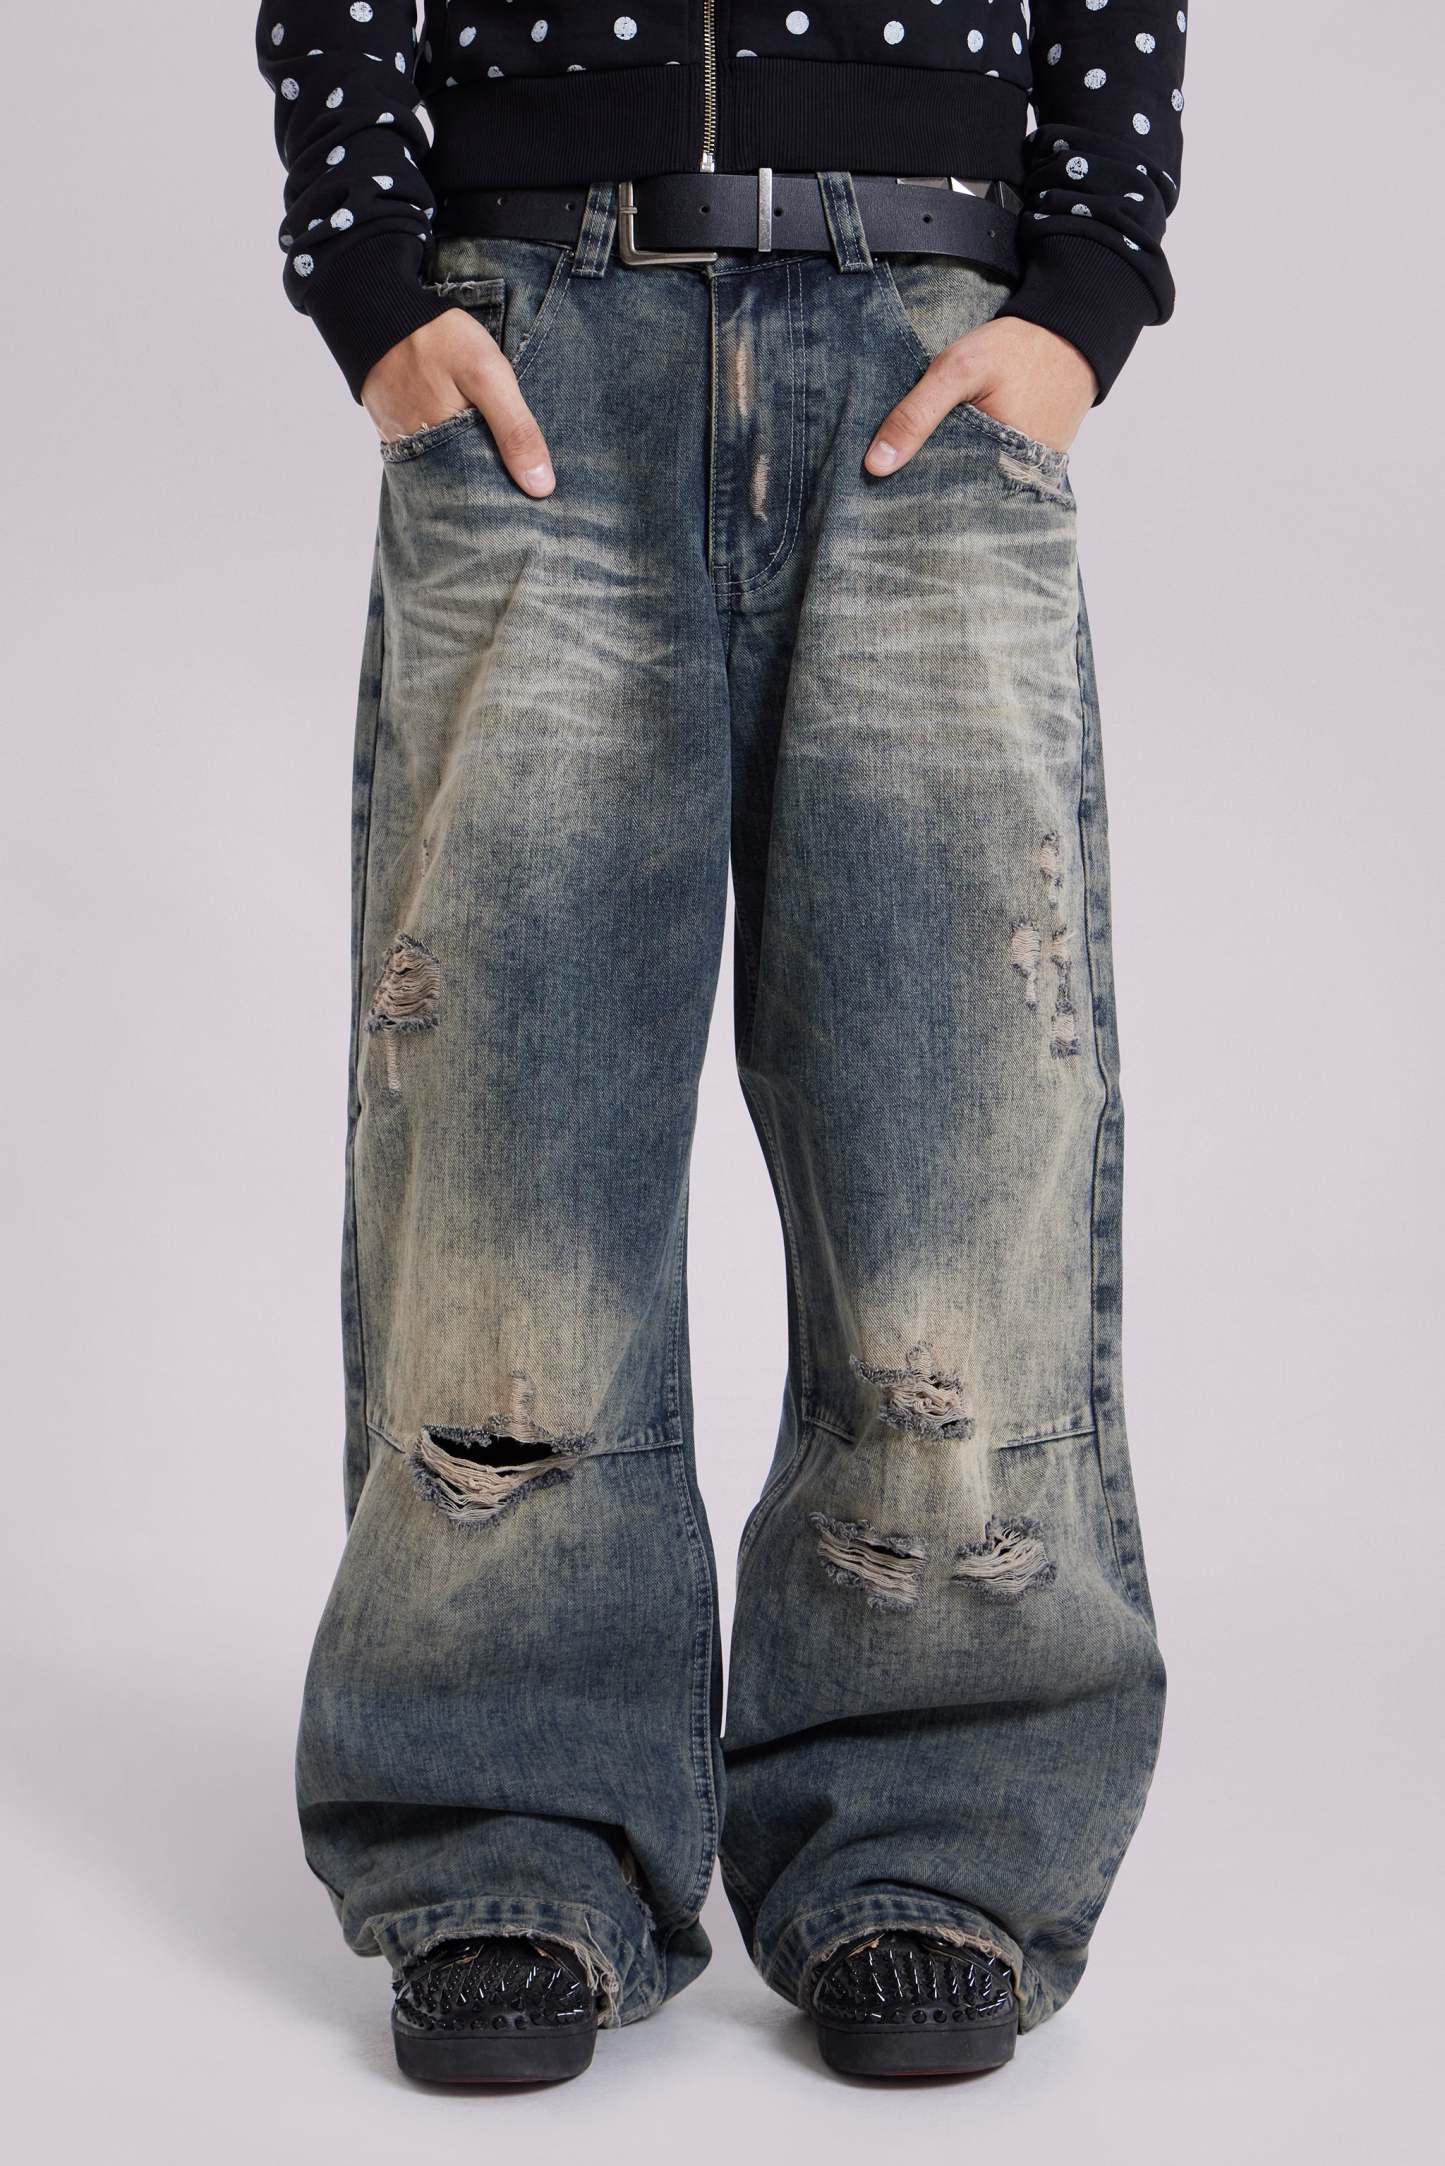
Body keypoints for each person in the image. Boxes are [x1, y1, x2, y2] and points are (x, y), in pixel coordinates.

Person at [257, 1, 1184, 2086]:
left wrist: (1088, 288)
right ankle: (504, 1829)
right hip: (535, 335)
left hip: (929, 340)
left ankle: (931, 1833)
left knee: (948, 1117)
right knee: (508, 1118)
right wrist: (368, 276)